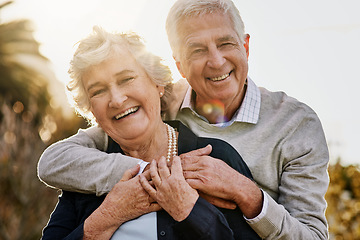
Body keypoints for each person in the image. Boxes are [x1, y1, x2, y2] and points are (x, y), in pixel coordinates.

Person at [38, 0, 330, 239]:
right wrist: (149, 177)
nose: (215, 61)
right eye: (197, 49)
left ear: (246, 46)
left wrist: (244, 192)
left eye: (225, 43)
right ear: (179, 64)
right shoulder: (156, 106)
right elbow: (56, 160)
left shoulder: (295, 125)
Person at [41, 26, 261, 239]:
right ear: (92, 111)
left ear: (158, 84)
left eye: (126, 79)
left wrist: (189, 209)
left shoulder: (215, 159)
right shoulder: (85, 175)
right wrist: (107, 217)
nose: (116, 99)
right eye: (98, 91)